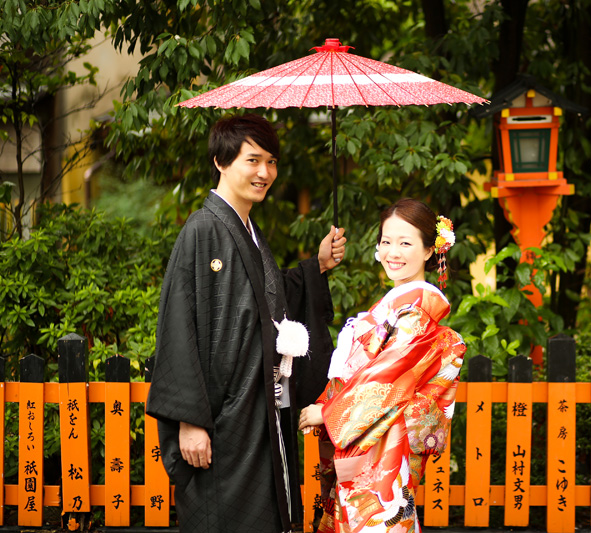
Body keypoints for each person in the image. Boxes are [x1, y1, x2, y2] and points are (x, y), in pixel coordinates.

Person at [146, 113, 346, 533]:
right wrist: (189, 419)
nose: (265, 173)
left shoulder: (248, 230)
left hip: (259, 406)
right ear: (221, 161)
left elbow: (265, 305)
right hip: (222, 416)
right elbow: (179, 326)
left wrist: (318, 266)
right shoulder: (203, 230)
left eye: (271, 162)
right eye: (253, 160)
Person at [299, 198, 465, 533]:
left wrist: (328, 412)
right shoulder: (393, 305)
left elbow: (390, 375)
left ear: (430, 250)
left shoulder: (419, 308)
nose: (393, 252)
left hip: (384, 440)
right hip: (368, 436)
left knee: (378, 520)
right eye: (386, 241)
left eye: (405, 243)